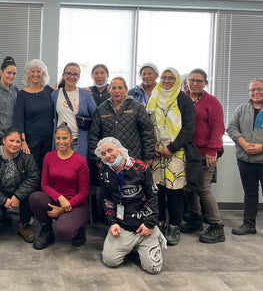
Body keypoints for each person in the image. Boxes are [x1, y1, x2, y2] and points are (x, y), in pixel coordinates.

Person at [96, 137, 164, 274]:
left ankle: (153, 234)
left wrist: (150, 224)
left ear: (119, 148)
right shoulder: (104, 173)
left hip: (144, 224)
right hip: (123, 225)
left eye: (110, 150)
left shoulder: (140, 167)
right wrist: (112, 223)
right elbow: (106, 200)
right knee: (110, 261)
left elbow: (153, 195)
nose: (108, 156)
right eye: (103, 154)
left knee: (153, 268)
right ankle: (131, 246)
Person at [147, 67, 195, 246]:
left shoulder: (183, 100)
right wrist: (153, 145)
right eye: (164, 78)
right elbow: (147, 123)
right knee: (157, 189)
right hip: (156, 152)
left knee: (174, 191)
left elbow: (189, 128)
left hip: (176, 152)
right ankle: (159, 223)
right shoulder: (154, 96)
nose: (167, 81)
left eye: (171, 78)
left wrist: (172, 148)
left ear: (176, 81)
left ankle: (174, 226)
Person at [181, 69, 226, 243]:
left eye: (199, 81)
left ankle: (217, 225)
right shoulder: (182, 98)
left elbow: (218, 127)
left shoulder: (211, 102)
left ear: (205, 83)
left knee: (203, 188)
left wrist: (212, 150)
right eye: (192, 80)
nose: (195, 84)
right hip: (186, 151)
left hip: (205, 152)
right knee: (189, 186)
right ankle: (195, 218)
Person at [29, 125, 90, 249]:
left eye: (65, 138)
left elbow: (84, 193)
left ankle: (79, 229)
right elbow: (44, 185)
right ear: (54, 138)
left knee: (63, 232)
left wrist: (62, 209)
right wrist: (60, 198)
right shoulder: (49, 157)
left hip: (77, 204)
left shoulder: (80, 161)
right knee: (35, 197)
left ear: (71, 138)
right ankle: (47, 231)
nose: (61, 142)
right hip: (57, 200)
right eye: (58, 138)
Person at [227, 78, 263, 237]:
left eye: (259, 89)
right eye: (252, 90)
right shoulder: (241, 108)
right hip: (245, 159)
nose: (256, 92)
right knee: (250, 192)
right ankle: (248, 224)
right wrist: (243, 144)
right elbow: (231, 128)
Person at [0, 127, 39, 243]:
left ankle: (24, 226)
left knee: (32, 197)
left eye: (18, 142)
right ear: (3, 140)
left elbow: (34, 178)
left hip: (19, 192)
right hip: (0, 192)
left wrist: (18, 196)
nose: (15, 144)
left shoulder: (26, 156)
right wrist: (3, 200)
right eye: (11, 140)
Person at [88, 76, 155, 166]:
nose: (117, 91)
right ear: (109, 90)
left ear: (126, 89)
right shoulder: (101, 109)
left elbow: (147, 132)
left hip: (133, 158)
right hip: (108, 160)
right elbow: (93, 135)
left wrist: (148, 155)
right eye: (114, 88)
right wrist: (97, 157)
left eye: (120, 87)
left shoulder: (137, 107)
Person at [15, 59, 54, 173]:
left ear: (43, 74)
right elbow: (19, 120)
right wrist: (23, 141)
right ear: (28, 73)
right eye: (33, 71)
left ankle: (43, 191)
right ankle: (32, 191)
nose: (36, 74)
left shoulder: (49, 91)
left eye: (39, 71)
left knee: (46, 170)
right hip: (31, 141)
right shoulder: (22, 94)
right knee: (32, 171)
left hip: (49, 140)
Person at [51, 62, 96, 157]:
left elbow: (95, 116)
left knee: (78, 168)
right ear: (63, 75)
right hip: (61, 140)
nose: (72, 77)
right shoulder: (55, 94)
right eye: (68, 73)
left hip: (78, 141)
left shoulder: (85, 94)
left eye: (75, 74)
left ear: (79, 77)